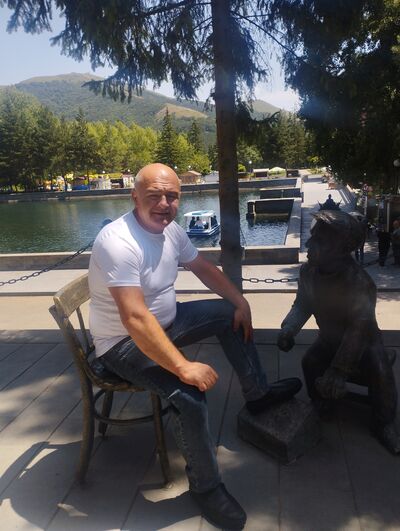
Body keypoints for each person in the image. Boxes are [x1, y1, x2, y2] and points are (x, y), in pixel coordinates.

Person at [88, 163, 301, 530]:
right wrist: (183, 366)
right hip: (122, 343)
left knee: (227, 315)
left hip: (167, 324)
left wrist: (240, 301)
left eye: (172, 196)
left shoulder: (170, 230)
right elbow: (135, 319)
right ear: (134, 196)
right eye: (154, 196)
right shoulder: (117, 242)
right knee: (189, 394)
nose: (164, 204)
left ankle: (258, 394)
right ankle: (206, 487)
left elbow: (203, 267)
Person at [277, 210, 399, 454]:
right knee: (310, 363)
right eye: (313, 236)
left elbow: (358, 329)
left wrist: (339, 370)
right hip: (329, 339)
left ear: (342, 249)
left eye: (319, 241)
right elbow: (302, 304)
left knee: (381, 372)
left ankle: (383, 423)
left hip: (364, 344)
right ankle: (321, 403)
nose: (309, 244)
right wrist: (289, 328)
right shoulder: (308, 272)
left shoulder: (359, 283)